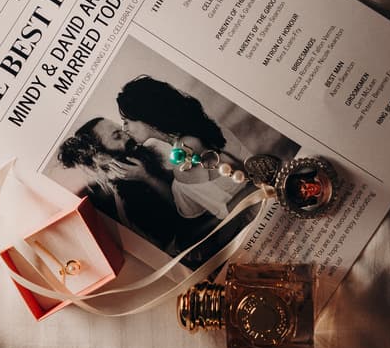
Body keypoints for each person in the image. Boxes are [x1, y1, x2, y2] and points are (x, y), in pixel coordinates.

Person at [116, 76, 254, 221]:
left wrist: (146, 177)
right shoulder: (200, 126)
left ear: (145, 117)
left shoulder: (185, 152)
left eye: (126, 121)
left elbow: (206, 219)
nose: (124, 129)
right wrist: (145, 175)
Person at [57, 117, 183, 252]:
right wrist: (148, 178)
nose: (127, 135)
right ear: (101, 157)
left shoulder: (143, 167)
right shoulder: (131, 198)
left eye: (122, 129)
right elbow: (185, 212)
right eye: (117, 136)